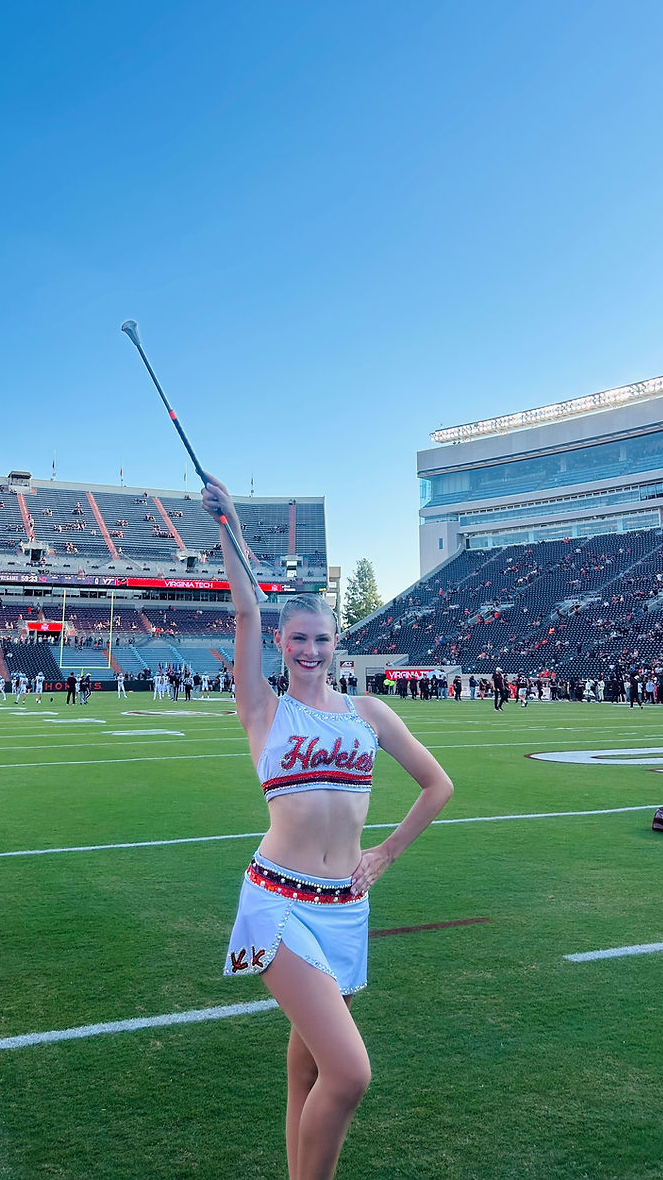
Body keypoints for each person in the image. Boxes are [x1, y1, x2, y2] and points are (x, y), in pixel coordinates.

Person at [204, 474, 453, 1180]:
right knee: (350, 1073)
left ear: (337, 640)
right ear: (282, 644)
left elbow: (439, 785)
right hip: (277, 901)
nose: (309, 650)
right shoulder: (263, 709)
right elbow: (245, 608)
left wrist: (388, 852)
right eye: (298, 639)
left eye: (321, 638)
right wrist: (231, 529)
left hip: (346, 908)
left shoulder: (368, 714)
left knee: (308, 1069)